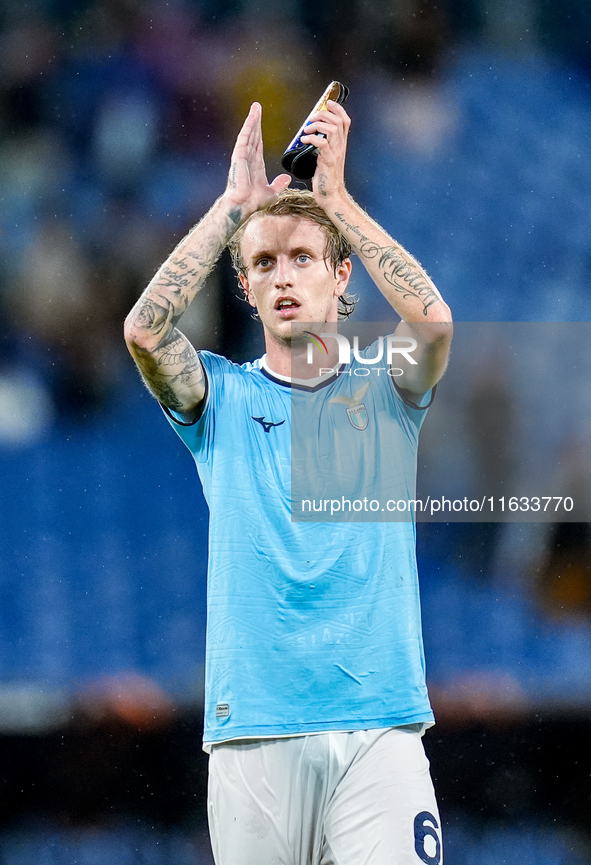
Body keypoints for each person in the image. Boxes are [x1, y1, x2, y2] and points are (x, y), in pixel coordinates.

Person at [124, 97, 453, 865]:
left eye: (303, 257)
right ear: (244, 288)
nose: (282, 276)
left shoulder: (387, 389)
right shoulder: (219, 398)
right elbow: (145, 330)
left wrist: (335, 203)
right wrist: (233, 209)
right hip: (254, 733)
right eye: (264, 262)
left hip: (379, 728)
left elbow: (434, 322)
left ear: (341, 276)